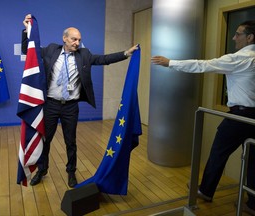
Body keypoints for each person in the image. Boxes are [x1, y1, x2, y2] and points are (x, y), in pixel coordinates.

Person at [21, 14, 139, 188]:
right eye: (74, 39)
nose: (77, 42)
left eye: (79, 40)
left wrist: (125, 54)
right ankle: (42, 169)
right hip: (51, 105)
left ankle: (71, 172)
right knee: (45, 140)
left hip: (70, 107)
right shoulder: (51, 50)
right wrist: (26, 30)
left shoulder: (84, 54)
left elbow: (103, 59)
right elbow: (28, 50)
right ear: (65, 39)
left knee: (71, 142)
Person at [151, 20, 255, 214]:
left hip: (241, 115)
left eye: (238, 34)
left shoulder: (240, 58)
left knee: (218, 151)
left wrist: (170, 63)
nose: (234, 37)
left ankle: (206, 191)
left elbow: (203, 65)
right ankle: (253, 204)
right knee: (253, 159)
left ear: (250, 37)